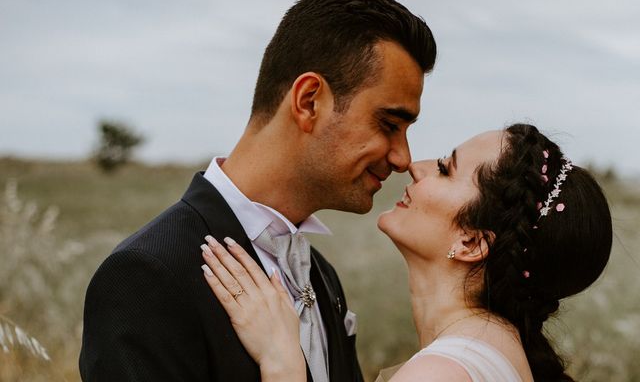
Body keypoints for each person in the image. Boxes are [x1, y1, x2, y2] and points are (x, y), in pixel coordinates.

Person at [79, 0, 437, 381]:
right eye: (388, 124)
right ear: (308, 102)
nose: (403, 157)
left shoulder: (322, 277)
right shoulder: (147, 276)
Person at [200, 123, 613, 382]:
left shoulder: (441, 374)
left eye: (446, 168)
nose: (416, 165)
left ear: (472, 243)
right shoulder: (492, 353)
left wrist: (282, 364)